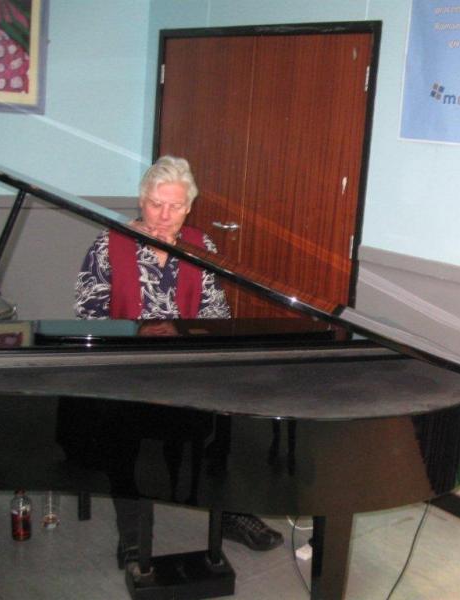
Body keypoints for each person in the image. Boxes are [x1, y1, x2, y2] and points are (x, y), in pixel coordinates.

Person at [73, 156, 283, 564]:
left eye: (175, 206)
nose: (165, 215)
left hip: (186, 365)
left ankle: (228, 511)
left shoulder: (201, 246)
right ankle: (133, 532)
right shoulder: (109, 243)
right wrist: (136, 332)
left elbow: (217, 312)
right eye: (156, 204)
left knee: (229, 414)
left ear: (189, 208)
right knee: (123, 429)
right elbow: (87, 311)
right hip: (129, 368)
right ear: (142, 201)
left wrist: (187, 335)